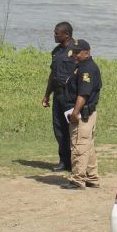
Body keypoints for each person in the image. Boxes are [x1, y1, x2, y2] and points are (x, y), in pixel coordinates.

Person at [64, 40, 102, 189]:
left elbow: (83, 94)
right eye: (73, 51)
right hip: (86, 113)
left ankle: (77, 180)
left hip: (82, 115)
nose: (74, 54)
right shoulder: (82, 66)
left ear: (87, 52)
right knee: (88, 146)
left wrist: (75, 112)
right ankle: (92, 178)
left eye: (77, 52)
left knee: (79, 146)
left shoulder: (87, 70)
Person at [41, 21, 77, 172]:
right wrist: (47, 94)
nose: (54, 35)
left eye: (57, 33)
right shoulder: (56, 51)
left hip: (71, 96)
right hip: (58, 95)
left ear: (66, 34)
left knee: (73, 130)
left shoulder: (77, 49)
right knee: (59, 129)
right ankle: (64, 161)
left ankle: (76, 162)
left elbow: (83, 70)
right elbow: (52, 75)